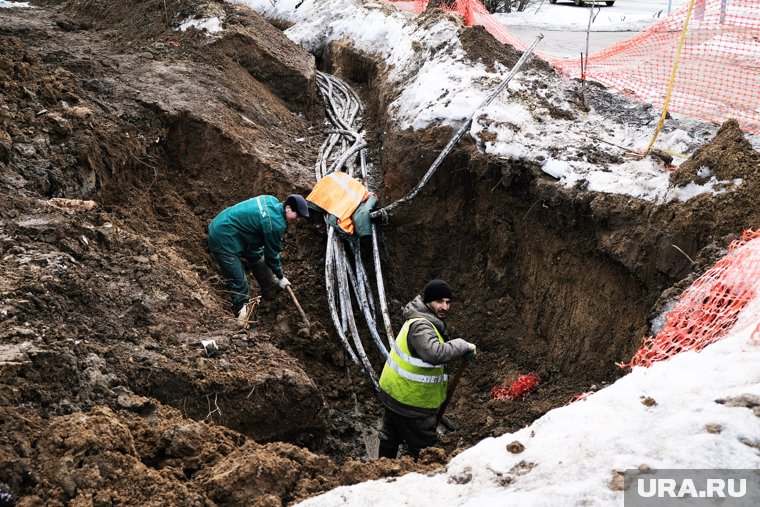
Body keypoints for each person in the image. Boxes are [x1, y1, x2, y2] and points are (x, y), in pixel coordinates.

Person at [377, 279, 476, 459]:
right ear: (428, 301)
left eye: (448, 302)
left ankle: (380, 473)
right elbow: (434, 353)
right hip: (412, 403)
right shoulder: (421, 325)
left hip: (395, 395)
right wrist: (462, 345)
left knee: (389, 438)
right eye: (440, 301)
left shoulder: (422, 320)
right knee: (425, 452)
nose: (445, 307)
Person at [207, 194, 309, 326]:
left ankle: (269, 290)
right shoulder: (276, 225)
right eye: (298, 215)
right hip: (224, 237)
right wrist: (280, 276)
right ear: (288, 208)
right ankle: (242, 317)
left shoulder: (271, 200)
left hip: (229, 225)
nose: (299, 219)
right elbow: (272, 255)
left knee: (257, 255)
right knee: (239, 281)